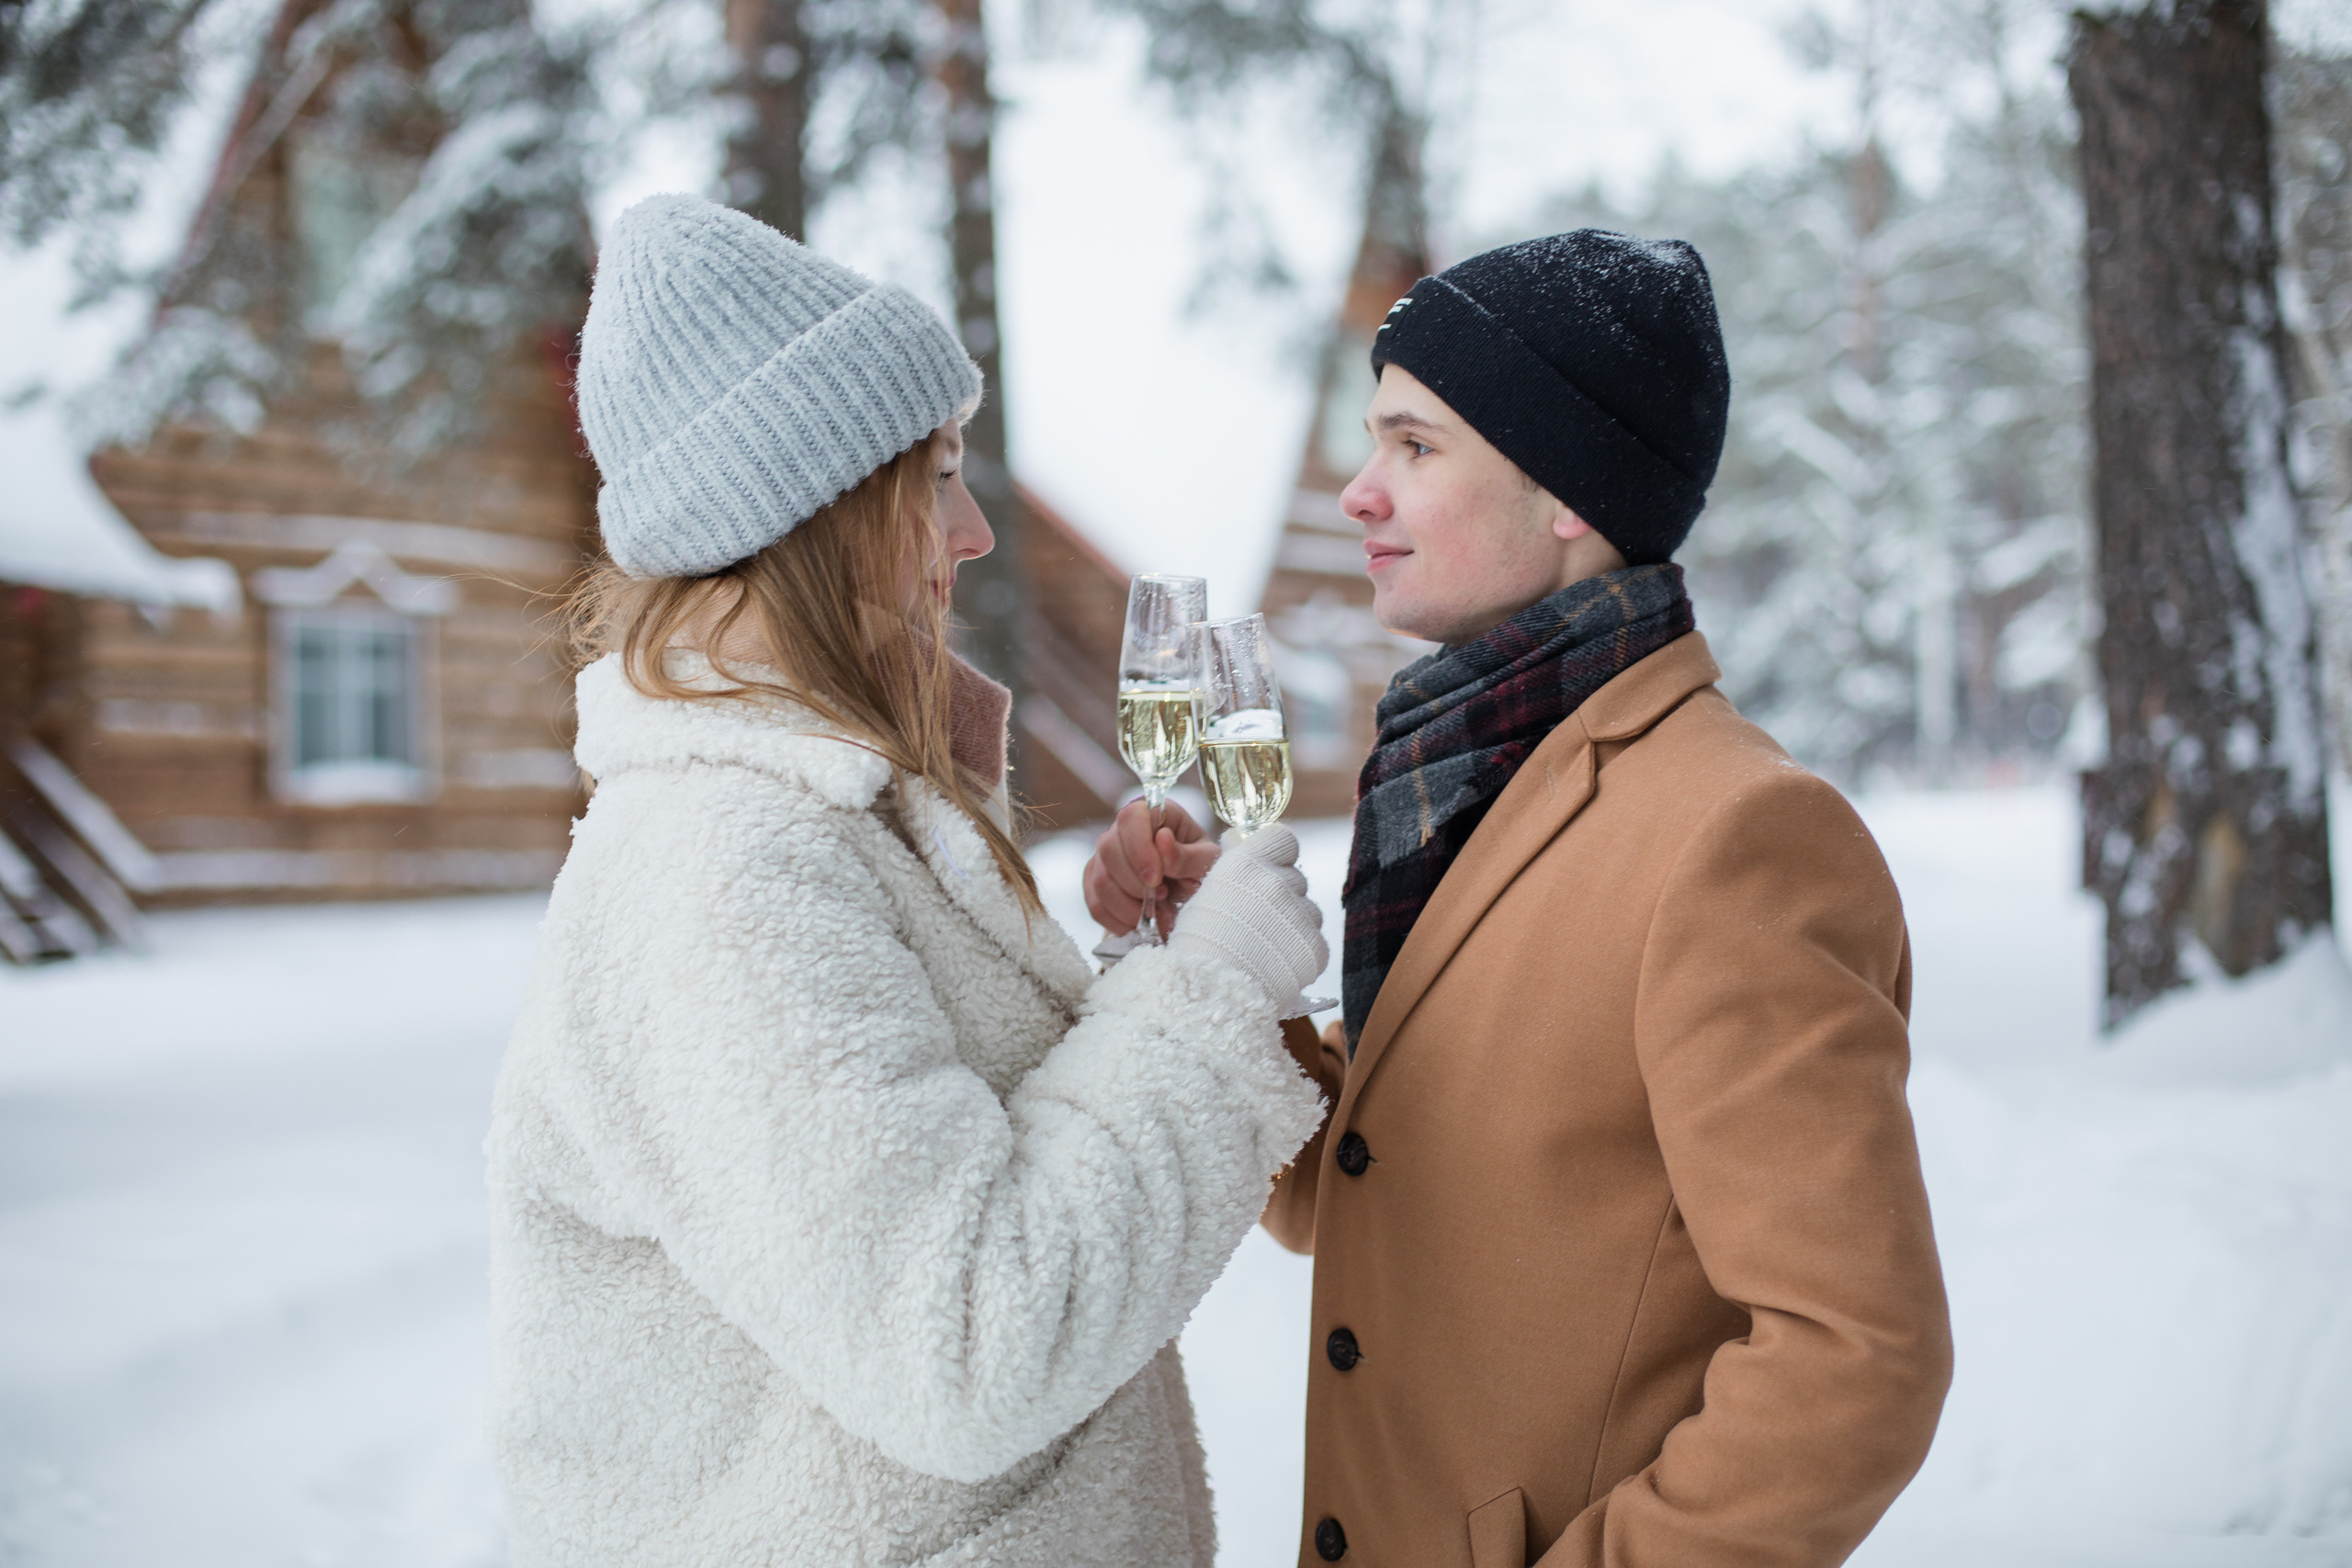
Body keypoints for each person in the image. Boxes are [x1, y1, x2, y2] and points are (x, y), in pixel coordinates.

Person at [484, 193, 1332, 1568]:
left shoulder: (831, 816)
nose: (976, 529)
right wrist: (1212, 1001)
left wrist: (1147, 985)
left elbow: (974, 1189)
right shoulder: (722, 869)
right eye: (936, 474)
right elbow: (968, 1347)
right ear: (821, 508)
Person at [1086, 231, 1953, 1566]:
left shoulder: (1739, 839)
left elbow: (1859, 1356)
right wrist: (1207, 975)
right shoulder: (1453, 783)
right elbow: (1352, 1191)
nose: (1361, 495)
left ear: (1567, 490)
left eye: (1415, 447)